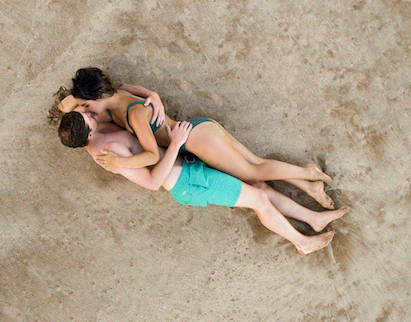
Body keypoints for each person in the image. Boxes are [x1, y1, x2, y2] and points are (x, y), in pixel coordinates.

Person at [56, 110, 348, 257]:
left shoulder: (93, 132)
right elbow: (152, 181)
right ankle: (302, 242)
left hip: (191, 168)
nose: (93, 115)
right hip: (188, 182)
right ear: (89, 136)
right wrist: (176, 143)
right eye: (89, 119)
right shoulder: (109, 155)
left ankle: (314, 219)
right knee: (258, 200)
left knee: (260, 188)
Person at [50, 67, 335, 209]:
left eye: (86, 105)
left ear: (97, 96)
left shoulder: (131, 114)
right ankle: (308, 187)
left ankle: (306, 172)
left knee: (253, 171)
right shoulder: (119, 91)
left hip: (194, 141)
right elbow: (66, 107)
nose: (85, 110)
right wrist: (153, 95)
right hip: (197, 132)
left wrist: (116, 161)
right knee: (255, 164)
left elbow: (150, 156)